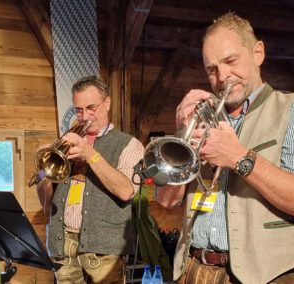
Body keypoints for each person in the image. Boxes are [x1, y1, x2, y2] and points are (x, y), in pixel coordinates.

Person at [155, 12, 294, 284]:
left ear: (258, 53)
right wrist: (180, 138)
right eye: (212, 69)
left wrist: (240, 157)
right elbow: (166, 200)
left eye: (231, 61)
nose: (222, 76)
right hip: (193, 269)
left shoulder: (289, 110)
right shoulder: (204, 118)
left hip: (265, 276)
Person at [35, 76, 144, 283]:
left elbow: (126, 191)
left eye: (91, 108)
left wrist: (89, 153)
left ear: (107, 103)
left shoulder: (129, 144)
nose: (84, 116)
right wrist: (43, 174)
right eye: (78, 110)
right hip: (63, 245)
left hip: (103, 250)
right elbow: (48, 207)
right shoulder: (66, 143)